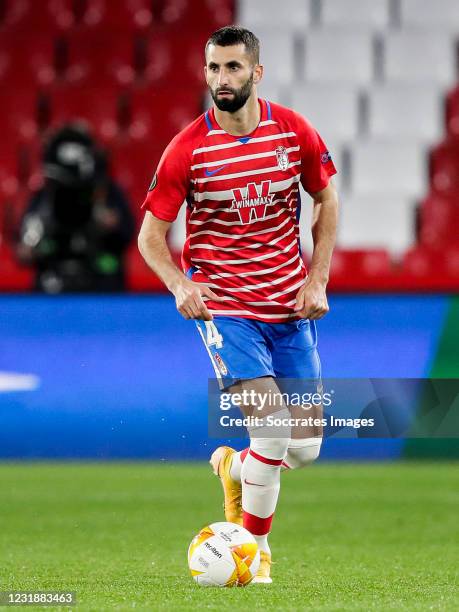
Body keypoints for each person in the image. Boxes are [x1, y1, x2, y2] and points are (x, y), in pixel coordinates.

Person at [138, 26, 338, 583]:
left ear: (256, 72)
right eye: (213, 69)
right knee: (271, 429)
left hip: (291, 305)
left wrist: (318, 276)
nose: (221, 79)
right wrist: (181, 284)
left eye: (232, 67)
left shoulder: (293, 132)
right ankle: (254, 553)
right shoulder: (188, 148)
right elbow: (149, 236)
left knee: (304, 450)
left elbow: (326, 200)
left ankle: (233, 468)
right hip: (227, 309)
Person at [18, 124, 135, 293]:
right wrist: (33, 241)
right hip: (52, 285)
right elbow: (23, 253)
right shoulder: (45, 197)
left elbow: (129, 235)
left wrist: (111, 223)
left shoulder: (106, 192)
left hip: (103, 286)